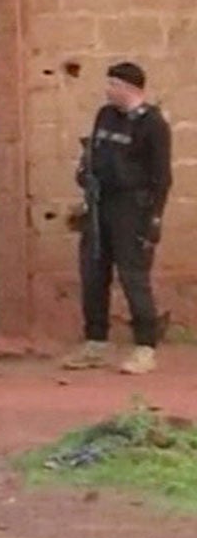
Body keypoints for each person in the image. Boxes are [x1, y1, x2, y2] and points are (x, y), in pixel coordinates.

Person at [64, 61, 173, 376]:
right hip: (100, 205)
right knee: (93, 272)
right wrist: (85, 175)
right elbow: (93, 154)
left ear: (130, 88)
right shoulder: (105, 115)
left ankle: (145, 347)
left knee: (133, 276)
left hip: (133, 209)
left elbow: (162, 177)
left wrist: (154, 218)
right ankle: (96, 342)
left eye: (114, 84)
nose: (108, 89)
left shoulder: (152, 124)